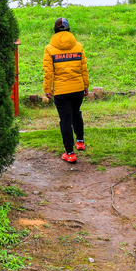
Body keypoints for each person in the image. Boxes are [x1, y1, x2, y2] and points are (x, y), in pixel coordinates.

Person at [42, 16, 89, 163]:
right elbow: (84, 69)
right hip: (77, 89)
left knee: (65, 120)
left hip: (61, 91)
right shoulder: (78, 46)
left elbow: (48, 71)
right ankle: (80, 142)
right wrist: (86, 85)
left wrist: (47, 88)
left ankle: (70, 153)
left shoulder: (49, 49)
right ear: (69, 30)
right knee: (76, 113)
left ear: (55, 31)